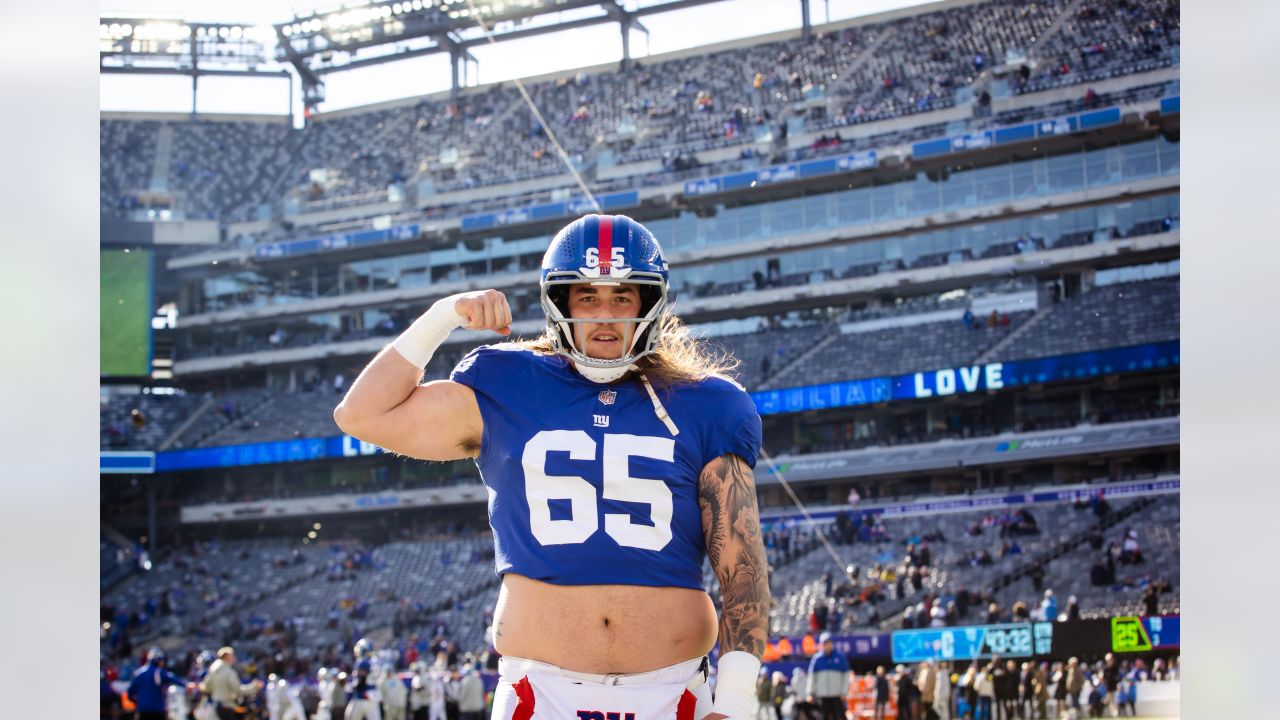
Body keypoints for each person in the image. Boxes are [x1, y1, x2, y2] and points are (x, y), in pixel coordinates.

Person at [335, 214, 769, 720]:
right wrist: (443, 316)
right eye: (587, 297)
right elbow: (363, 414)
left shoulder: (706, 403)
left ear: (648, 305)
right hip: (540, 693)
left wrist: (736, 701)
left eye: (622, 297)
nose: (604, 316)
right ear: (560, 303)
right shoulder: (509, 383)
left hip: (672, 693)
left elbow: (741, 565)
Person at [126, 648, 189, 720]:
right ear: (158, 660)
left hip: (142, 711)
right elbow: (174, 679)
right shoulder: (158, 672)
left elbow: (129, 693)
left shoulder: (138, 673)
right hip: (157, 712)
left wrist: (139, 702)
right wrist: (187, 685)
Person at [201, 647, 261, 720]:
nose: (234, 658)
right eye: (232, 656)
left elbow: (205, 688)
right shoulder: (229, 672)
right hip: (228, 706)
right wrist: (254, 687)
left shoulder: (212, 670)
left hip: (216, 706)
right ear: (227, 657)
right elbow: (238, 691)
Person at [806, 633, 850, 720]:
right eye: (825, 643)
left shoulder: (840, 657)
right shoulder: (817, 659)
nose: (827, 645)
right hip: (823, 695)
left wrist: (844, 692)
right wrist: (810, 693)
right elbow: (812, 677)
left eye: (829, 643)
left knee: (840, 716)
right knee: (823, 717)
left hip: (837, 695)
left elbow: (846, 676)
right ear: (821, 645)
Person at [346, 639, 382, 720]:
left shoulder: (363, 662)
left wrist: (352, 687)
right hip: (373, 695)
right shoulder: (375, 660)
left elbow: (360, 680)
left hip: (362, 696)